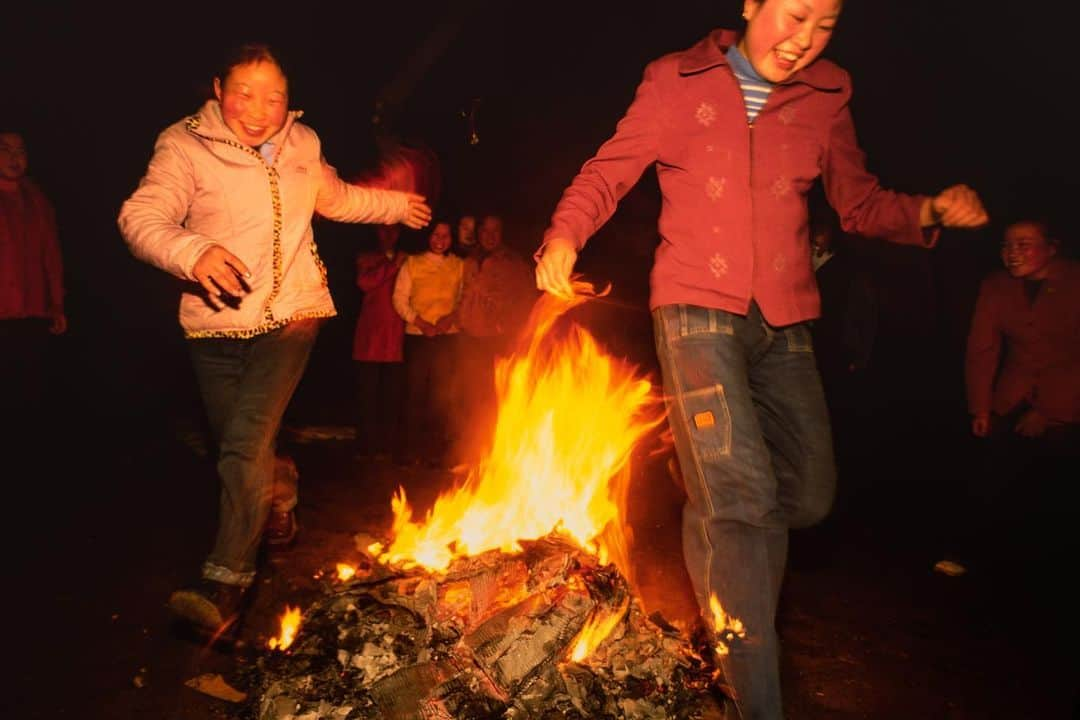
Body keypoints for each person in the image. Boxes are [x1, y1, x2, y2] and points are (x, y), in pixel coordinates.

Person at [533, 3, 988, 718]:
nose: (805, 40)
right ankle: (754, 699)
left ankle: (703, 477)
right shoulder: (674, 79)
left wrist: (927, 211)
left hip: (785, 317)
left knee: (806, 495)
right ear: (750, 5)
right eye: (795, 15)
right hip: (693, 307)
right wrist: (564, 236)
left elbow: (859, 202)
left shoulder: (828, 93)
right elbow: (607, 171)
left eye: (826, 25)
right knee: (745, 502)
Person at [117, 42, 431, 638]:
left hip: (293, 314)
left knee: (242, 444)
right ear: (217, 88)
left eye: (274, 97)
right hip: (214, 321)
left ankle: (225, 581)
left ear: (290, 100)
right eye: (243, 93)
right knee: (242, 445)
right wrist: (194, 251)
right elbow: (141, 217)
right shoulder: (184, 145)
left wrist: (395, 203)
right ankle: (281, 493)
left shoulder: (302, 144)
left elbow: (334, 198)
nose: (259, 110)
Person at [935, 217, 1080, 577]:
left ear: (1052, 247)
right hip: (1012, 394)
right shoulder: (997, 286)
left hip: (1069, 398)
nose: (1012, 254)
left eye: (1024, 244)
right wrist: (980, 408)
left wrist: (1050, 411)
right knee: (988, 470)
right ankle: (969, 556)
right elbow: (982, 348)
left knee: (1057, 480)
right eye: (1006, 246)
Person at [0, 128, 67, 435]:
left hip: (33, 314)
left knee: (31, 397)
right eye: (6, 150)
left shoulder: (38, 199)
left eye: (21, 151)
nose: (14, 158)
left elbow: (51, 256)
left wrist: (57, 304)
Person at [454, 213, 536, 463]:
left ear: (502, 233)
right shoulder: (469, 259)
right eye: (485, 231)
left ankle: (497, 454)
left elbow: (527, 299)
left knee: (497, 397)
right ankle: (472, 453)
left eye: (495, 231)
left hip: (499, 339)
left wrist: (509, 327)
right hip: (470, 336)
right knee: (470, 395)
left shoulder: (513, 263)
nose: (489, 236)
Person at [392, 218, 465, 467]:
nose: (440, 241)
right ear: (427, 236)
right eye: (436, 235)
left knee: (442, 397)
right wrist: (420, 322)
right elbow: (399, 299)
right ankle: (410, 452)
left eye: (445, 236)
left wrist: (451, 319)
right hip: (418, 337)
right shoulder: (413, 263)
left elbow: (464, 298)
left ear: (451, 239)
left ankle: (437, 453)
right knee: (414, 396)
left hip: (447, 337)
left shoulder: (459, 266)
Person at [352, 223, 407, 462]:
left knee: (392, 396)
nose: (389, 235)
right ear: (376, 232)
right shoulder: (367, 257)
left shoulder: (406, 258)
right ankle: (366, 447)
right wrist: (393, 265)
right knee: (367, 397)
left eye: (393, 230)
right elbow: (366, 283)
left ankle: (387, 446)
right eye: (384, 230)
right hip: (369, 338)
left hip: (394, 338)